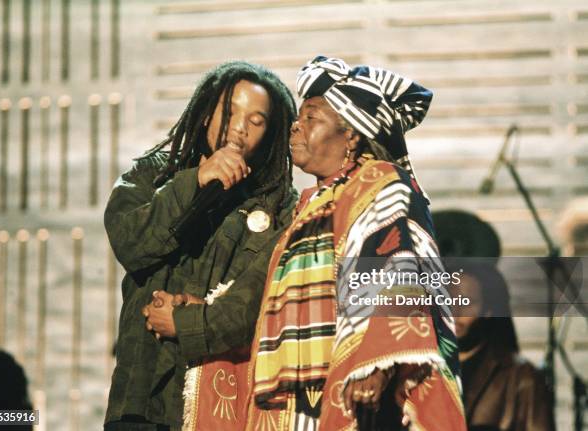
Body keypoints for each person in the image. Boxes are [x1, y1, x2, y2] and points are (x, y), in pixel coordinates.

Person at [244, 56, 466, 430]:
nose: (296, 127)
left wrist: (377, 363)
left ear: (351, 134)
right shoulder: (310, 203)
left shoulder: (381, 183)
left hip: (355, 388)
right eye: (299, 118)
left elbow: (403, 263)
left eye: (311, 118)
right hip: (297, 399)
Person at [103, 61, 297, 430]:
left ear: (270, 134)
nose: (239, 127)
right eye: (230, 111)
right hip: (140, 399)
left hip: (220, 403)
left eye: (256, 121)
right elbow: (130, 242)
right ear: (207, 113)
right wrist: (197, 180)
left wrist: (186, 319)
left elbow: (254, 306)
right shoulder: (152, 173)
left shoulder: (281, 208)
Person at [452, 263, 556, 431]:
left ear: (488, 311)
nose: (454, 313)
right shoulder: (419, 369)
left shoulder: (522, 377)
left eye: (467, 302)